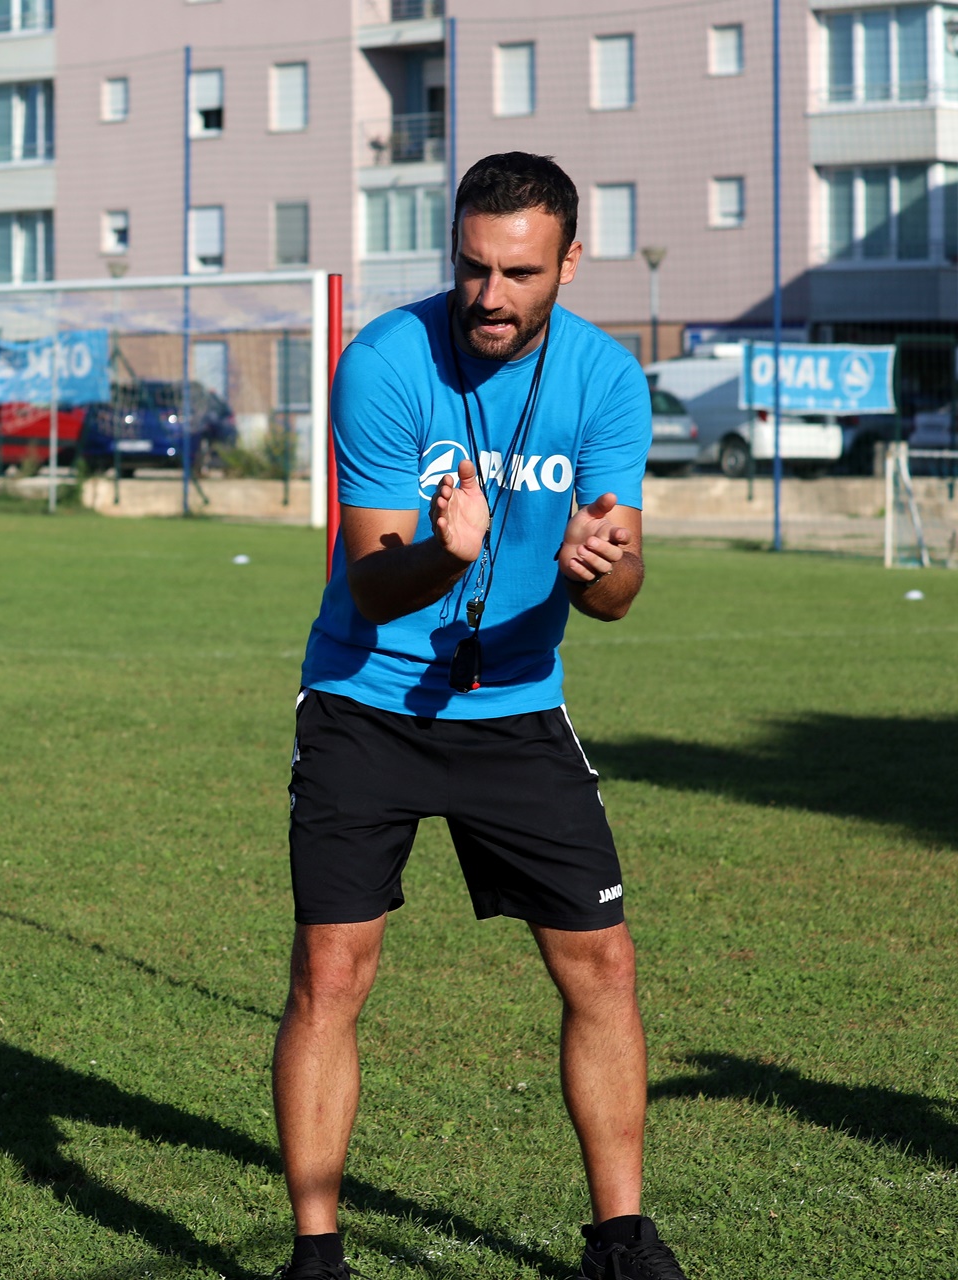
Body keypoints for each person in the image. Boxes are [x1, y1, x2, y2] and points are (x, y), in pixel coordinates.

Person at [270, 153, 688, 1280]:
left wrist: (595, 565)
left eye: (518, 271)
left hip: (517, 705)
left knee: (601, 964)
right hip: (370, 701)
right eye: (471, 267)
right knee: (332, 969)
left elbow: (617, 595)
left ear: (568, 261)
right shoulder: (387, 361)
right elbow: (369, 580)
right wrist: (442, 554)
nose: (490, 295)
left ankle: (620, 1238)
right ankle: (317, 1251)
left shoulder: (606, 379)